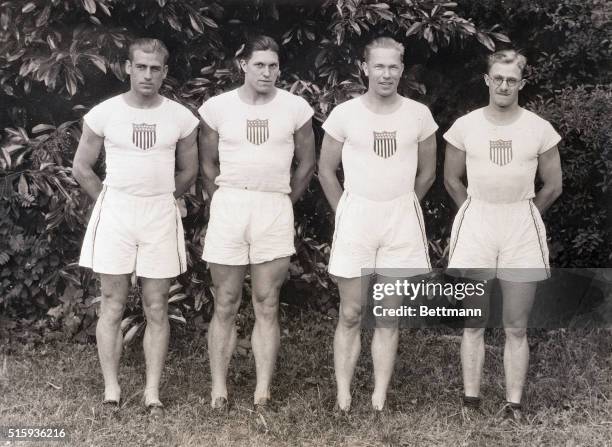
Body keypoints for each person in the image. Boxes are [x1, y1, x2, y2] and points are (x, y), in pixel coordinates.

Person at [73, 38, 199, 417]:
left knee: (156, 305)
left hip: (159, 214)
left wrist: (161, 198)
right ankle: (111, 388)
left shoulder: (181, 117)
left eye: (155, 68)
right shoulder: (104, 113)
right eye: (140, 67)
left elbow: (189, 170)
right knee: (111, 302)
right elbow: (82, 167)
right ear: (128, 68)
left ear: (165, 72)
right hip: (116, 212)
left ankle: (152, 392)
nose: (147, 74)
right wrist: (110, 201)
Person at [318, 37, 438, 412]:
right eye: (379, 66)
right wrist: (346, 211)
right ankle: (344, 394)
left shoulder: (418, 114)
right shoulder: (344, 114)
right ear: (365, 68)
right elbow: (325, 170)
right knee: (351, 311)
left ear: (402, 69)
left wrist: (402, 207)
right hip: (356, 217)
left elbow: (428, 173)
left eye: (394, 67)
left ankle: (379, 397)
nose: (386, 74)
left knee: (388, 315)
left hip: (399, 220)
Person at [443, 49, 562, 422]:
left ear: (522, 83)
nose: (505, 85)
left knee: (516, 323)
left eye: (512, 79)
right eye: (498, 78)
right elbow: (451, 178)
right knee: (474, 320)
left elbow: (553, 185)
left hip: (521, 224)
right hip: (477, 220)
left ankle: (513, 405)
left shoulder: (539, 128)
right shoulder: (466, 125)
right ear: (487, 80)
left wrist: (524, 216)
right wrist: (473, 211)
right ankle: (471, 402)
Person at [198, 35, 315, 410]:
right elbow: (207, 165)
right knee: (226, 300)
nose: (267, 72)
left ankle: (262, 390)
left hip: (274, 207)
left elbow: (307, 163)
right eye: (259, 64)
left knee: (267, 301)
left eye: (273, 65)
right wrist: (225, 199)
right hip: (231, 204)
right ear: (243, 65)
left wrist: (283, 200)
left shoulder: (296, 107)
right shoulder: (217, 107)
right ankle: (219, 389)